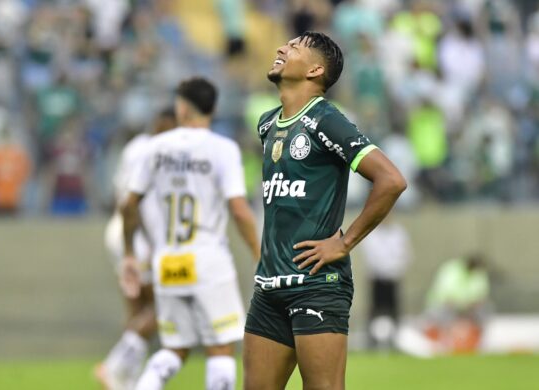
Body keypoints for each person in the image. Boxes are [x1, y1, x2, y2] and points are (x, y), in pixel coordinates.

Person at [243, 31, 406, 390]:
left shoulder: (325, 119)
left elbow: (391, 180)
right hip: (269, 285)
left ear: (316, 70)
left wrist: (345, 242)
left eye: (294, 47)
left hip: (317, 285)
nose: (281, 47)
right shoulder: (268, 123)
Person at [121, 77, 260, 390]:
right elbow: (238, 209)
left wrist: (130, 253)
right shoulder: (222, 149)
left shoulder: (154, 148)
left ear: (182, 107)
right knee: (221, 347)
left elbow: (128, 204)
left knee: (174, 349)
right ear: (213, 108)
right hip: (207, 259)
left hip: (168, 261)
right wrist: (257, 252)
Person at [96, 108, 177, 389]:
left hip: (125, 233)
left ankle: (126, 375)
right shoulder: (152, 150)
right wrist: (146, 244)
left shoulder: (136, 147)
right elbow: (130, 201)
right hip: (136, 235)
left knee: (138, 308)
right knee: (165, 303)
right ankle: (116, 366)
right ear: (162, 123)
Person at [359, 215, 412, 349]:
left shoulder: (398, 232)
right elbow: (370, 255)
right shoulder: (372, 234)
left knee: (394, 310)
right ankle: (372, 341)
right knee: (375, 310)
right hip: (377, 277)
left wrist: (395, 269)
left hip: (393, 277)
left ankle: (396, 340)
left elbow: (405, 253)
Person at [424, 254, 490, 353]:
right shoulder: (451, 270)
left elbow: (481, 294)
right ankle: (445, 344)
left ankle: (478, 344)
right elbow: (444, 293)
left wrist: (473, 303)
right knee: (443, 313)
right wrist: (458, 303)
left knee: (485, 310)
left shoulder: (479, 273)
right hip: (449, 305)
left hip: (469, 307)